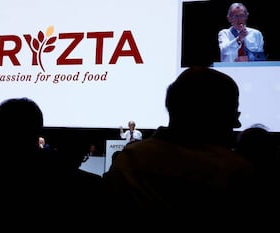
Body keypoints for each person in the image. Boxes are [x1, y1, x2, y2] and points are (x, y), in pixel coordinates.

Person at [103, 66, 257, 228]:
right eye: (234, 113)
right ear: (216, 114)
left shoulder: (127, 162)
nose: (237, 123)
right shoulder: (234, 173)